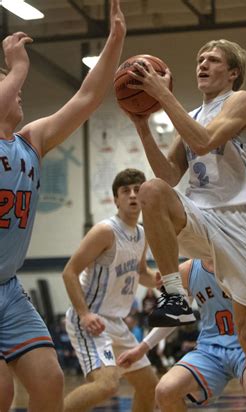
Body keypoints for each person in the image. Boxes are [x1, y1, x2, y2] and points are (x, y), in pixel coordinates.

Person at [125, 39, 246, 410]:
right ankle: (174, 295)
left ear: (233, 72)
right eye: (199, 58)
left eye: (213, 60)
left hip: (240, 221)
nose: (202, 64)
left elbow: (204, 141)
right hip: (201, 214)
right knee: (153, 190)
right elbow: (169, 174)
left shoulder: (242, 101)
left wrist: (160, 94)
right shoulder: (189, 113)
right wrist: (143, 126)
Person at [0, 2, 125, 410]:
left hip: (8, 289)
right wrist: (17, 68)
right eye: (12, 88)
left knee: (50, 381)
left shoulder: (30, 141)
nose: (20, 92)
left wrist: (115, 40)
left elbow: (88, 97)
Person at [117, 259, 246, 411]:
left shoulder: (244, 266)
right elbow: (175, 314)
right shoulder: (188, 270)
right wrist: (142, 348)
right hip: (209, 349)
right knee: (165, 390)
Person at [62, 169, 158, 412]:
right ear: (116, 199)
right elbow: (69, 272)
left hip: (116, 323)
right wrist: (84, 314)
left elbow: (141, 274)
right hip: (91, 320)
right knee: (106, 385)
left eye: (138, 189)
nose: (133, 195)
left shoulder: (142, 234)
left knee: (149, 386)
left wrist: (164, 278)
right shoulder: (105, 231)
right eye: (126, 191)